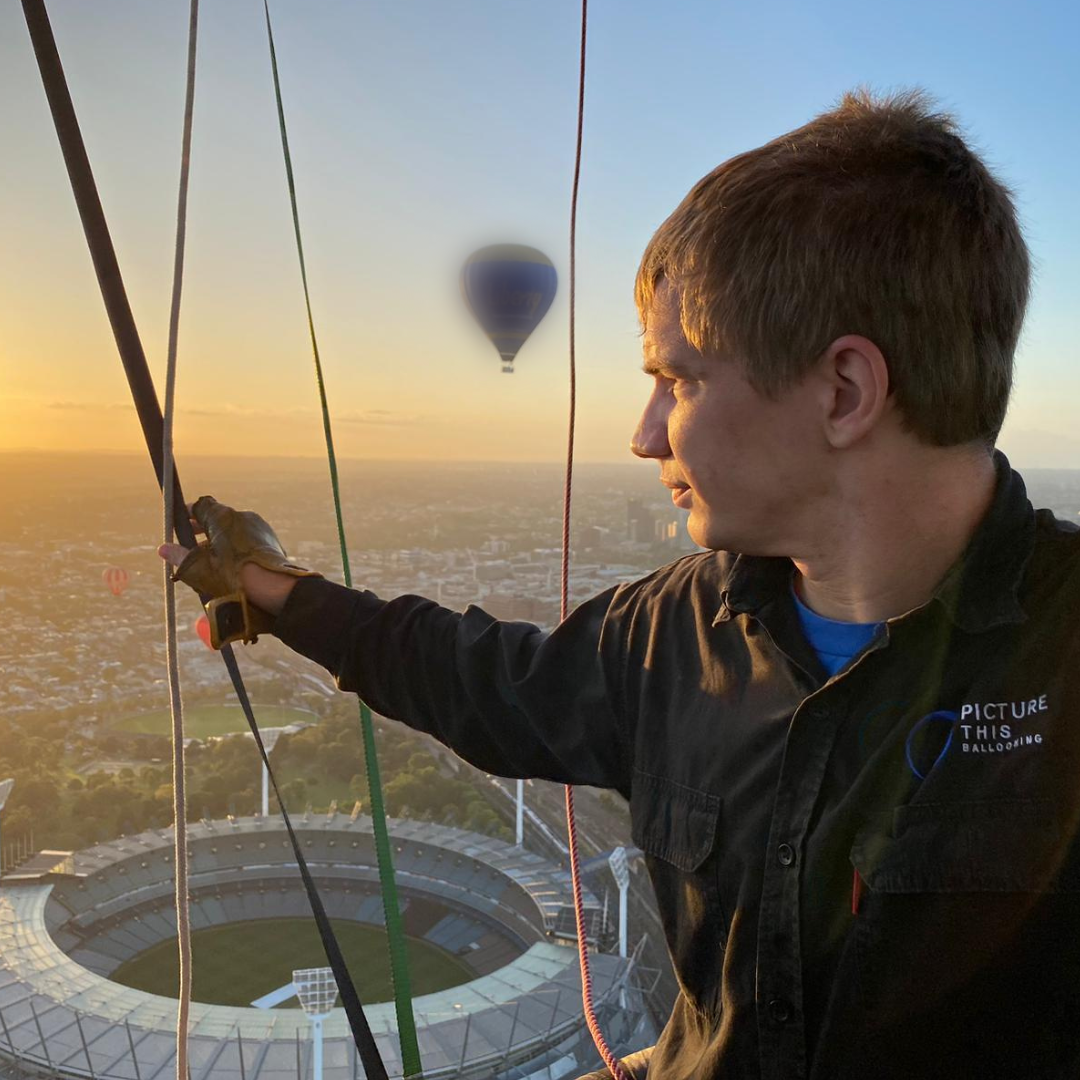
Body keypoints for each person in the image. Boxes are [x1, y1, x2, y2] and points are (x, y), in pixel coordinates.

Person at [161, 89, 1080, 1079]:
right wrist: (281, 591)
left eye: (678, 381)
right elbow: (483, 680)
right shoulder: (677, 627)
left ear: (845, 391)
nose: (644, 435)